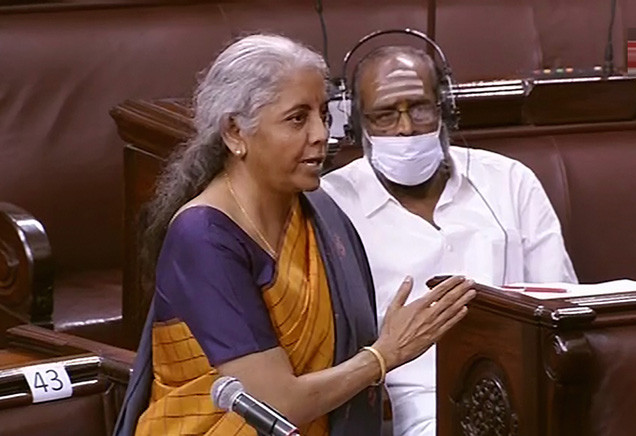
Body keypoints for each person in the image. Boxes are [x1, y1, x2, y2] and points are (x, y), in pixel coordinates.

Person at [112, 34, 475, 436]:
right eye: (297, 118)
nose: (322, 134)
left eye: (323, 113)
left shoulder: (323, 216)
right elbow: (274, 404)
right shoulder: (203, 237)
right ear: (235, 132)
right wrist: (386, 354)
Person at [321, 45, 577, 436]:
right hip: (409, 409)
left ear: (445, 109)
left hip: (526, 395)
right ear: (358, 124)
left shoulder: (510, 181)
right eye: (385, 115)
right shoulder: (332, 203)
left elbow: (562, 305)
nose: (405, 128)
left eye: (419, 108)